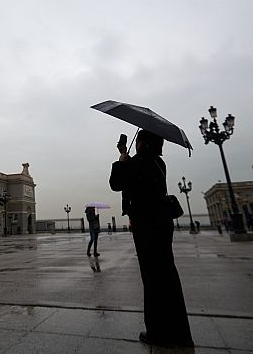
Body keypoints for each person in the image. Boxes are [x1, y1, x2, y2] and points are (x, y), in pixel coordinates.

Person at [109, 129, 194, 348]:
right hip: (162, 223)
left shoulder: (139, 162)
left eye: (137, 141)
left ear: (142, 143)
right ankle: (179, 332)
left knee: (152, 277)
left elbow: (116, 183)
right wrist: (128, 160)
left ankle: (159, 332)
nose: (135, 144)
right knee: (167, 274)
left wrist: (122, 159)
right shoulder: (158, 162)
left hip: (146, 225)